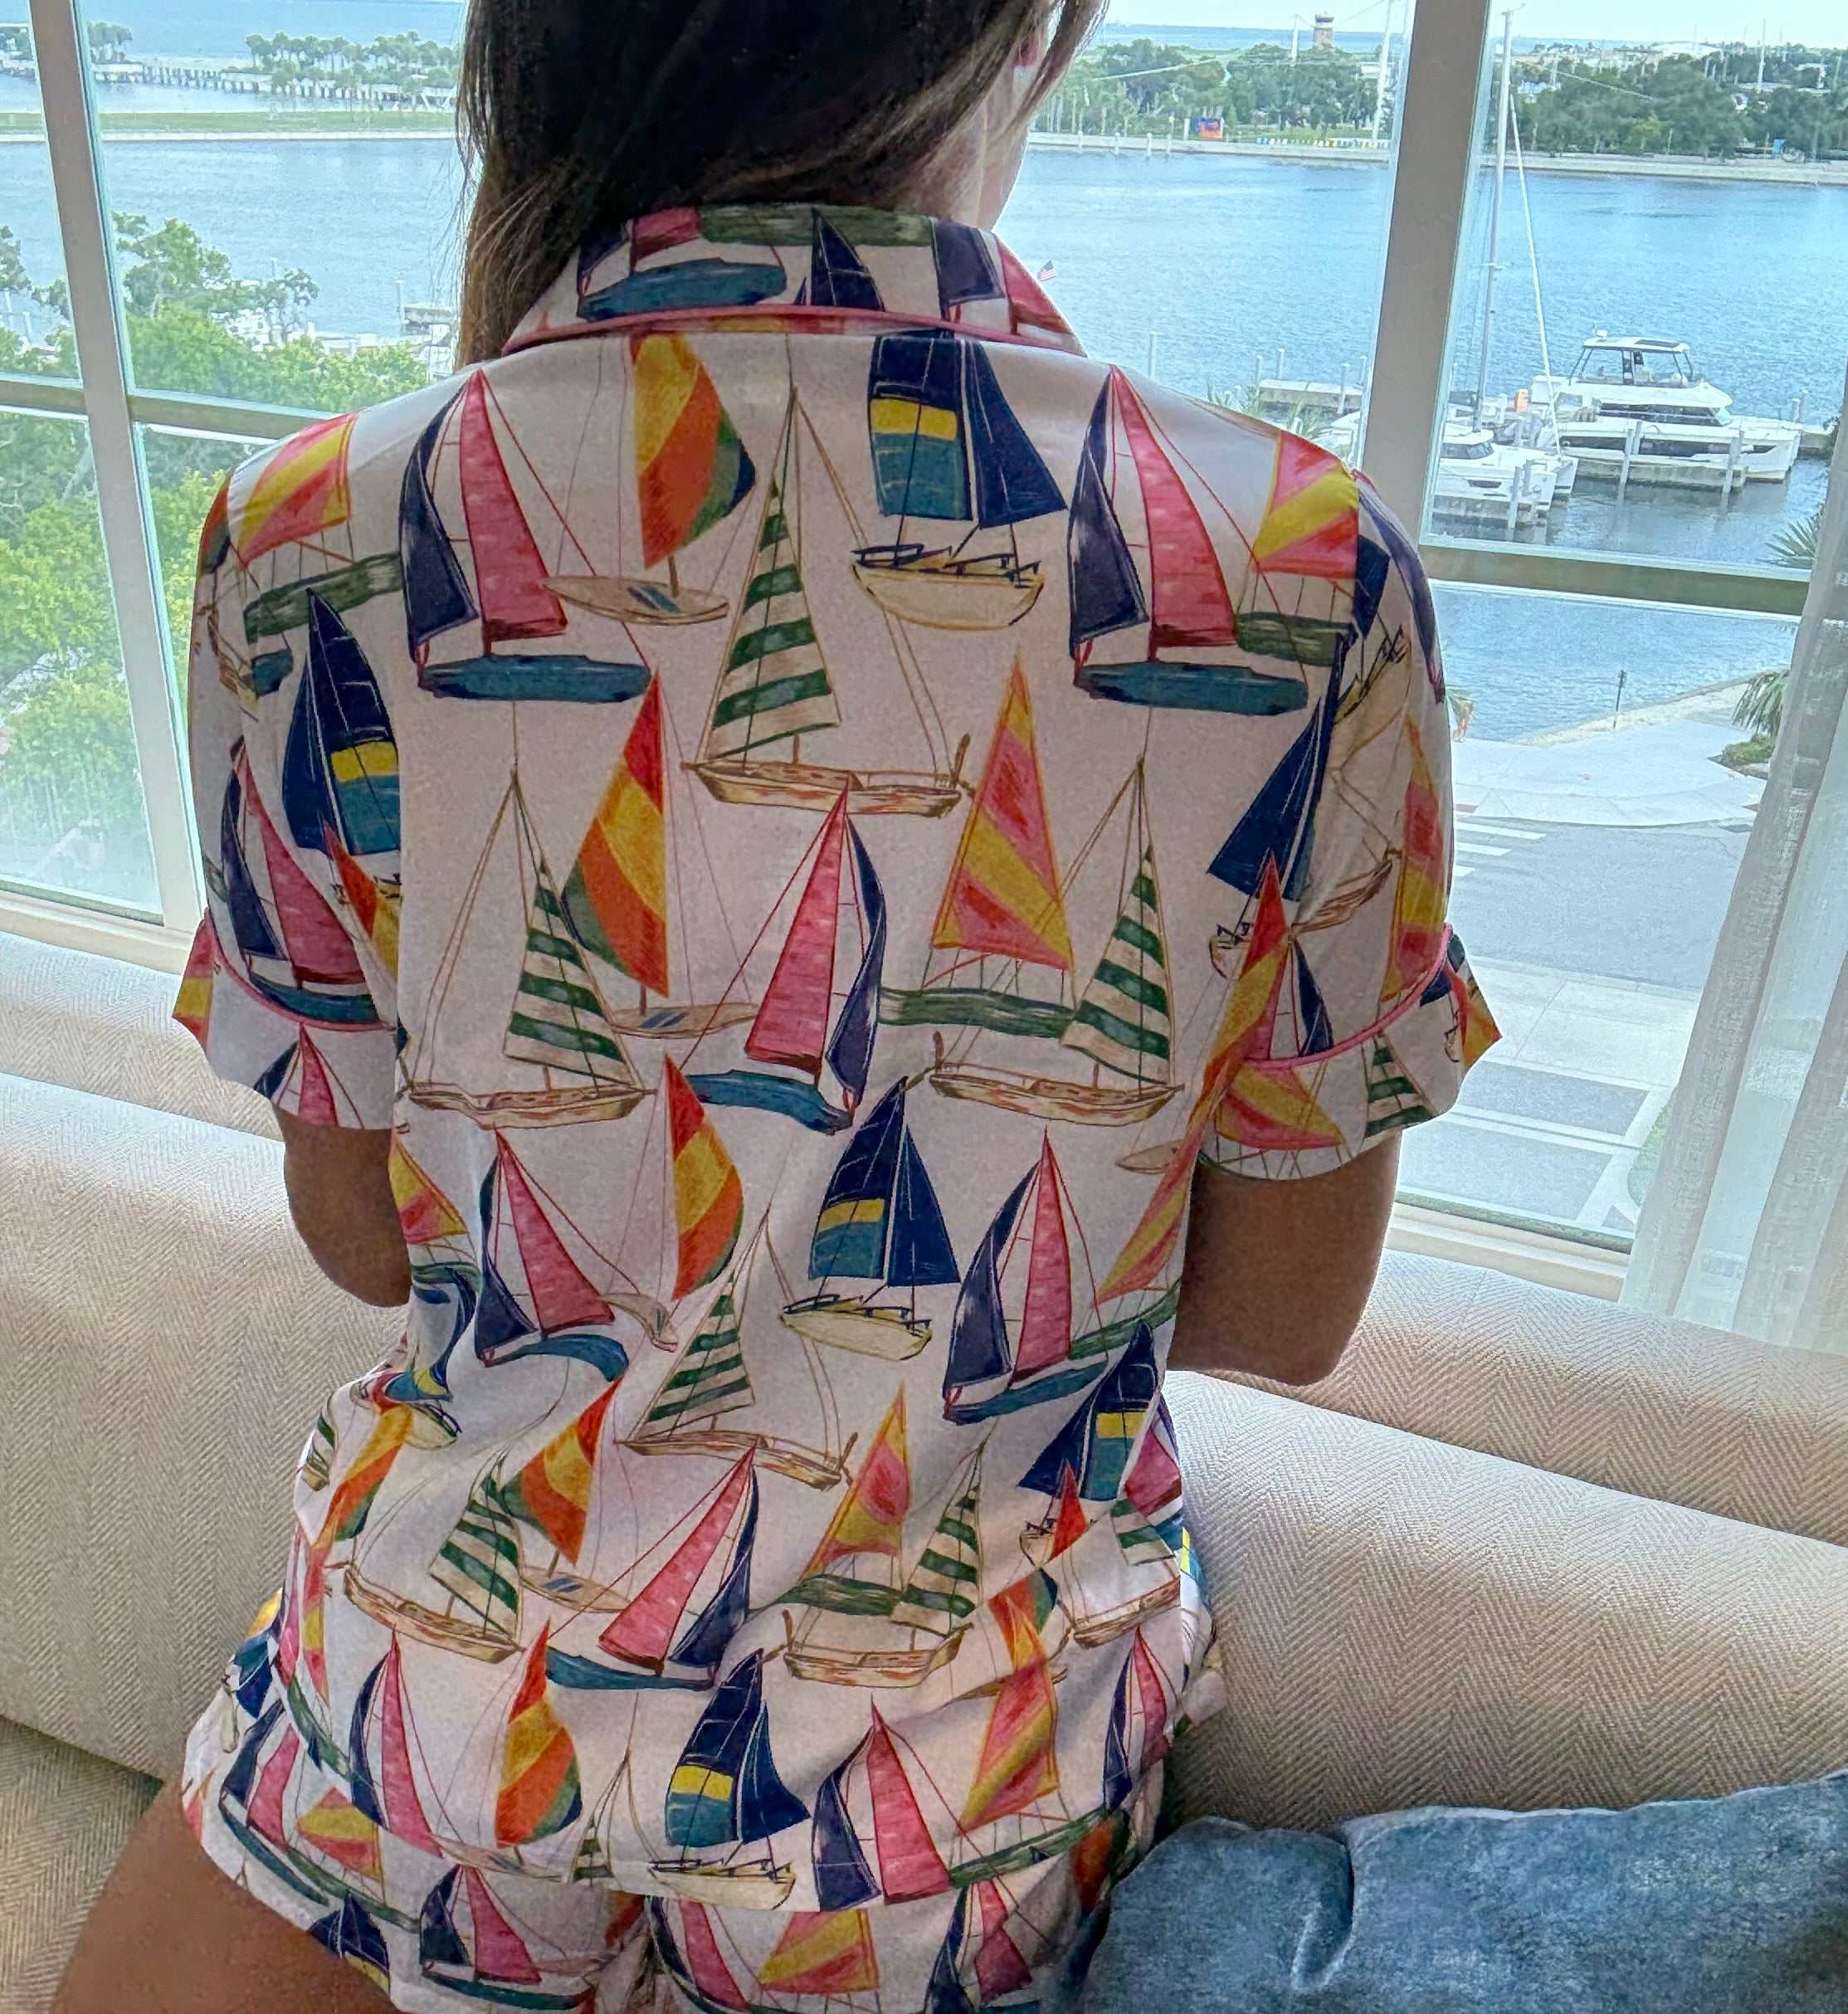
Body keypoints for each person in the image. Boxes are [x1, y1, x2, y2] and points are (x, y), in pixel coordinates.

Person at [57, 3, 1499, 2008]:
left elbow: (361, 1230)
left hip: (439, 1710)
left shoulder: (308, 540)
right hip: (934, 1800)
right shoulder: (1302, 573)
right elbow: (1284, 1311)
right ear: (1034, 30)